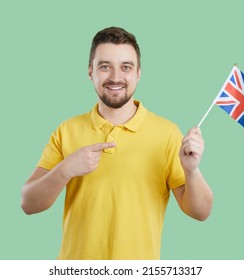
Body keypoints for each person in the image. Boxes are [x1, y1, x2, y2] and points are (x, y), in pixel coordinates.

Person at [21, 26, 213, 260]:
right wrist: (66, 169)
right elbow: (28, 203)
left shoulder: (167, 133)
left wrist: (191, 171)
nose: (115, 77)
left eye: (126, 67)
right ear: (90, 72)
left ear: (138, 73)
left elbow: (201, 212)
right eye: (104, 66)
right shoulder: (67, 131)